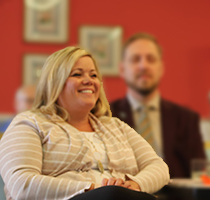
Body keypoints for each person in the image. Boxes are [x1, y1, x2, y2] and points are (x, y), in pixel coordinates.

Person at [0, 47, 169, 200]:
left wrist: (134, 185)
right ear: (54, 83)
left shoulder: (116, 126)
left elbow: (158, 167)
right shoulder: (29, 124)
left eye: (93, 75)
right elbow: (21, 185)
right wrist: (93, 189)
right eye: (77, 74)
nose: (89, 80)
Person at [110, 33, 205, 178]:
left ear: (161, 68)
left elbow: (198, 174)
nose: (144, 65)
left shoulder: (186, 119)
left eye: (151, 59)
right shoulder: (106, 116)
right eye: (136, 59)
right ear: (122, 69)